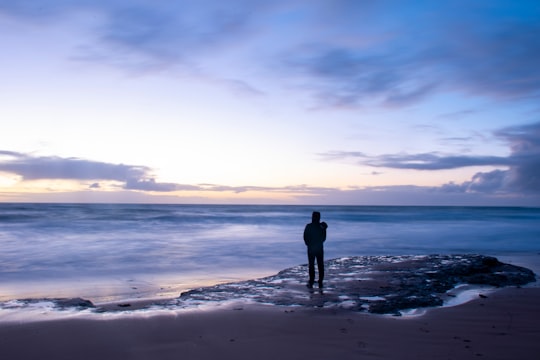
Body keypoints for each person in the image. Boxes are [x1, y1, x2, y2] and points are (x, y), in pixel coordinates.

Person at [303, 211, 328, 289]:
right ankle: (320, 280)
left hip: (311, 248)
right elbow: (324, 237)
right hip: (319, 247)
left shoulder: (309, 226)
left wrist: (308, 244)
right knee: (320, 264)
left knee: (312, 265)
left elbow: (305, 236)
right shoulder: (321, 227)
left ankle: (312, 280)